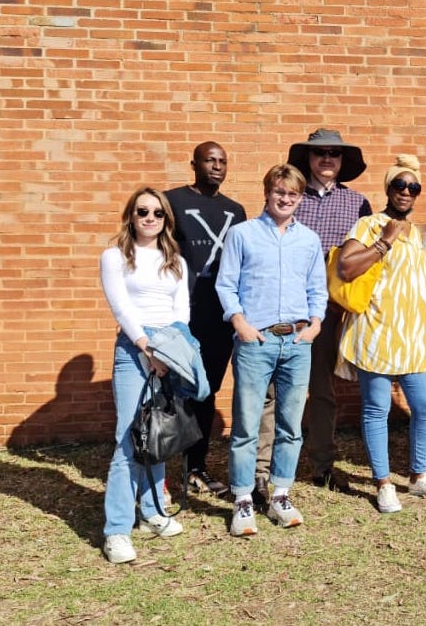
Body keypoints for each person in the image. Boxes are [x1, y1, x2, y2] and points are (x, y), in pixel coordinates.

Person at [335, 156, 426, 513]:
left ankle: (418, 477)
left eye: (412, 187)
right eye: (399, 185)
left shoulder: (419, 232)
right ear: (387, 189)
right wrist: (384, 241)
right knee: (376, 409)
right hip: (376, 331)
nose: (405, 191)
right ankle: (383, 482)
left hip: (413, 336)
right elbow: (345, 267)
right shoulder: (369, 224)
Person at [216, 164, 327, 537]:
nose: (285, 199)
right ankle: (244, 498)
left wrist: (315, 325)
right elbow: (226, 284)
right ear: (267, 192)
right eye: (280, 191)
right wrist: (241, 324)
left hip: (297, 341)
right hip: (256, 340)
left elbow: (317, 288)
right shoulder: (242, 234)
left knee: (291, 425)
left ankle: (280, 492)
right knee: (246, 424)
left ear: (300, 198)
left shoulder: (309, 240)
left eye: (292, 194)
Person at [263, 128, 370, 497]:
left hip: (329, 311)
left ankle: (322, 465)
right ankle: (268, 470)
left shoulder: (357, 204)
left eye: (334, 154)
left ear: (343, 162)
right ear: (307, 158)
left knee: (322, 391)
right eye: (319, 152)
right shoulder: (290, 197)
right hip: (284, 309)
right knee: (276, 390)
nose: (327, 158)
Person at [98, 187, 189, 563]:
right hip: (134, 349)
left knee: (158, 431)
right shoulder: (115, 255)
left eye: (157, 213)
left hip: (168, 347)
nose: (150, 218)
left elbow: (181, 310)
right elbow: (120, 305)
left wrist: (169, 350)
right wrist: (145, 347)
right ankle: (117, 530)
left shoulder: (175, 261)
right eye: (142, 212)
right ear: (131, 216)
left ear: (166, 219)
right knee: (127, 437)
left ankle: (152, 511)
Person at [165, 142, 247, 496]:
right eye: (209, 160)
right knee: (171, 393)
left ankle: (194, 467)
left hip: (218, 317)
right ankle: (158, 470)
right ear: (194, 164)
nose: (217, 166)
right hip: (180, 315)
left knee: (205, 391)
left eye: (222, 161)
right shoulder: (171, 202)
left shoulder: (235, 211)